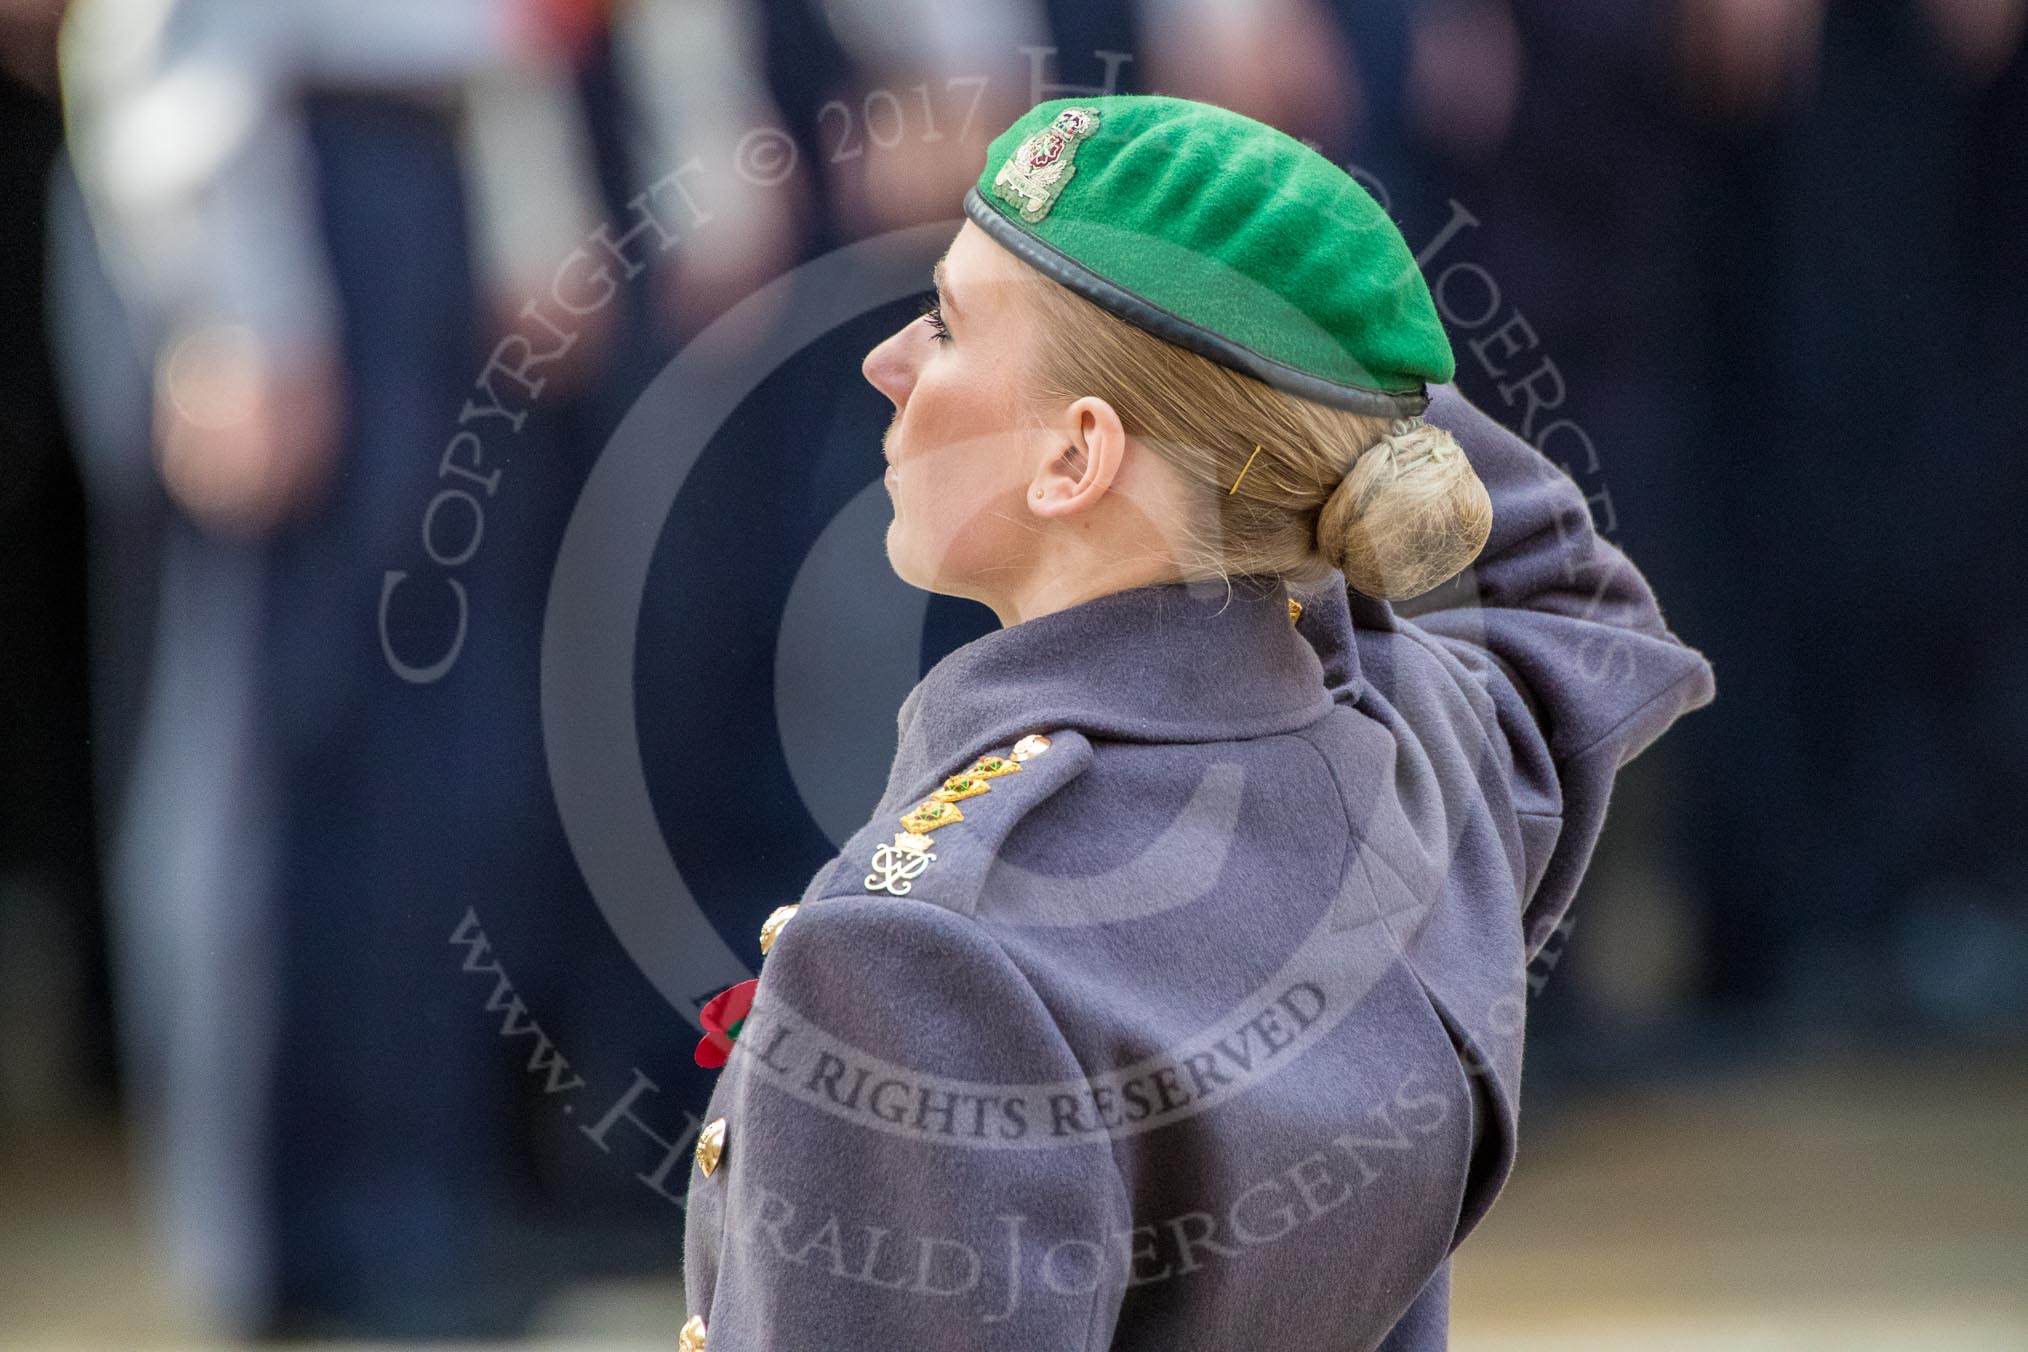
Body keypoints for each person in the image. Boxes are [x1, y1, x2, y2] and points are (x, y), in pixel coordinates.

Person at [677, 94, 1715, 1350]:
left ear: (1074, 459)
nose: (885, 360)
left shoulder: (920, 962)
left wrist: (1279, 378)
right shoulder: (1415, 759)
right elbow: (1567, 588)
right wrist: (1305, 358)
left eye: (946, 325)